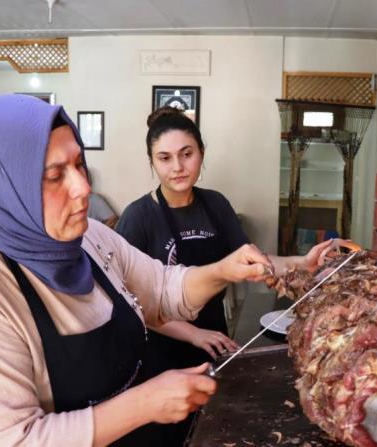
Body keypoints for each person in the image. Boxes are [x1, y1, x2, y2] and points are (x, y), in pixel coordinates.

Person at [0, 94, 273, 446]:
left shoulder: (89, 236)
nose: (83, 187)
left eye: (79, 164)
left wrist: (224, 270)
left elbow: (162, 289)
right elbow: (10, 441)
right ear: (3, 188)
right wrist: (143, 404)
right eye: (54, 175)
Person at [115, 107, 336, 445]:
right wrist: (192, 333)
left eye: (186, 154)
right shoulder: (138, 217)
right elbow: (133, 303)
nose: (177, 167)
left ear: (201, 152)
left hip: (214, 335)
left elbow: (251, 261)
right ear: (152, 162)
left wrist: (303, 262)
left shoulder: (215, 205)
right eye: (165, 158)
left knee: (212, 428)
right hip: (161, 347)